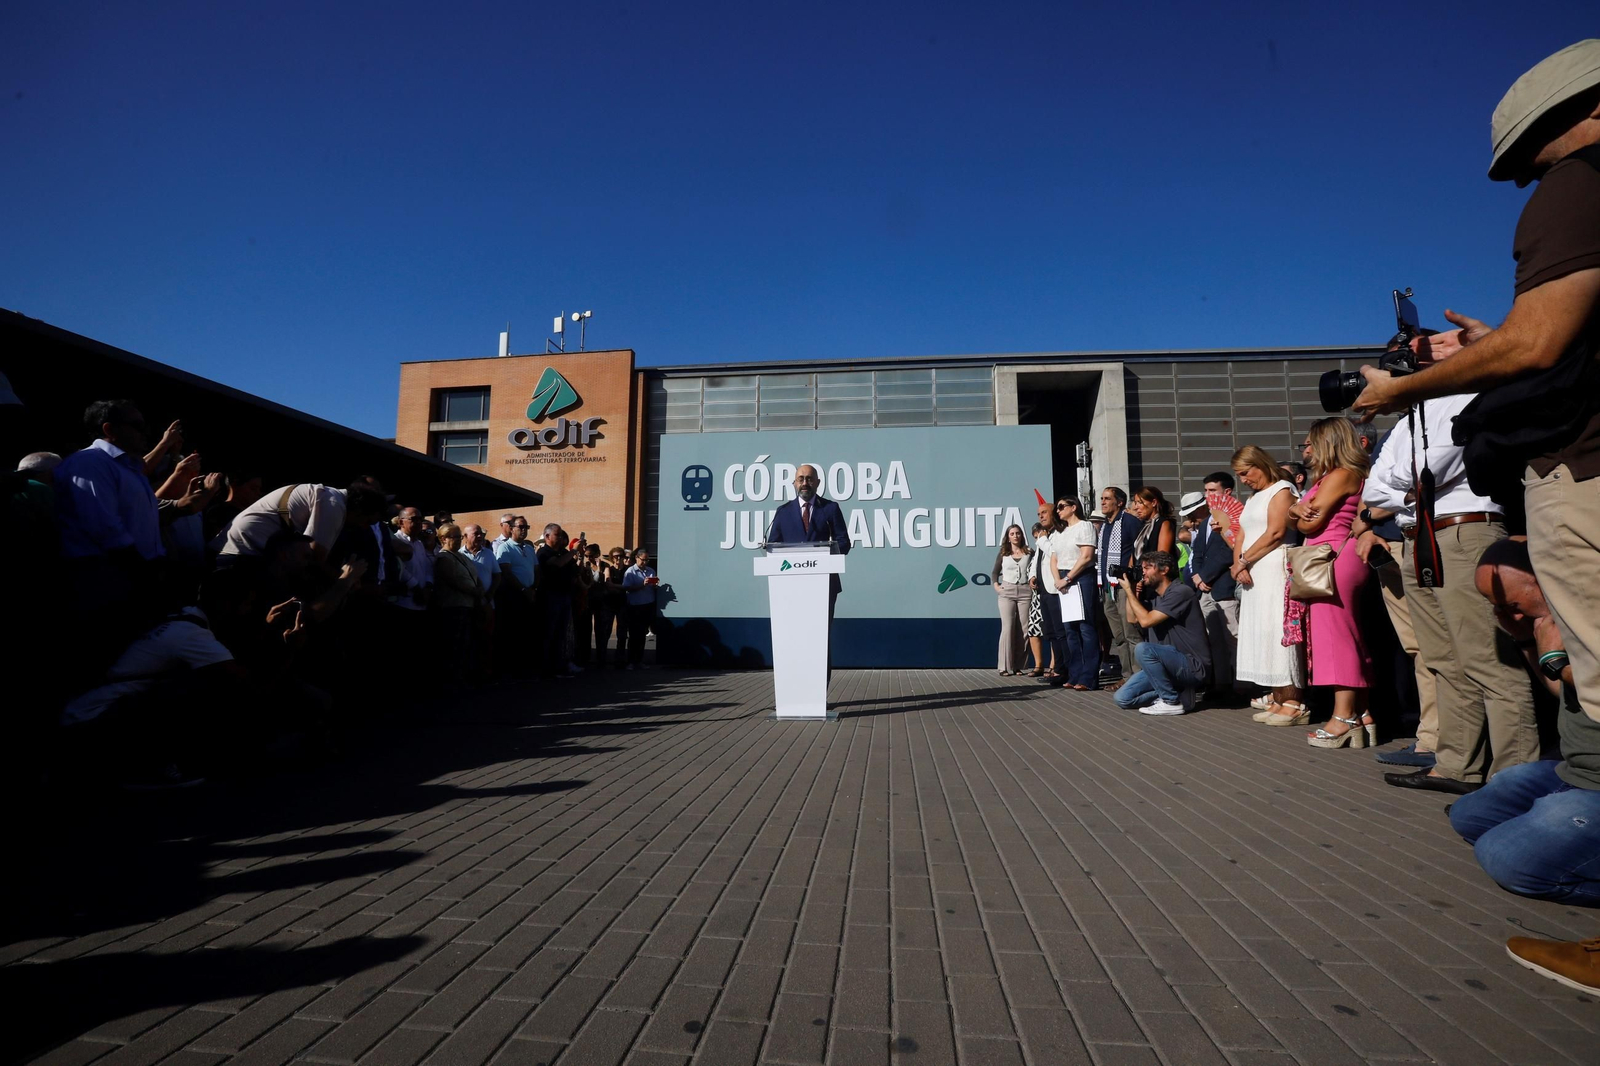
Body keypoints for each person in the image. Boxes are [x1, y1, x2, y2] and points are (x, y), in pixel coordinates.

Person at [1352, 39, 1600, 749]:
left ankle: (1546, 789)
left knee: (1565, 669)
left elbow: (1538, 343)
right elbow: (1556, 339)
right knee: (1456, 658)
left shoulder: (1580, 181)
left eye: (1533, 150)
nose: (1528, 179)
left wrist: (1406, 389)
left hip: (1575, 473)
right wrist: (1497, 339)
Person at [1362, 339, 1538, 793]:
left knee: (1488, 660)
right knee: (1443, 659)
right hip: (1417, 536)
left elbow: (1431, 471)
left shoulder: (1464, 396)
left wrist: (1398, 487)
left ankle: (1513, 780)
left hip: (1464, 531)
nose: (1400, 368)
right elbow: (1372, 493)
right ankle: (1457, 765)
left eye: (1418, 356)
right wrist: (1402, 488)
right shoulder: (1406, 422)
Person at [1448, 540, 1599, 908]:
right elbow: (1560, 691)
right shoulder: (1553, 624)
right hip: (1572, 771)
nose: (1504, 616)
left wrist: (1553, 659)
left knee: (1506, 858)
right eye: (1495, 608)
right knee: (1469, 815)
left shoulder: (1589, 614)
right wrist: (1528, 642)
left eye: (1511, 606)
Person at [1351, 425, 1441, 769]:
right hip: (1390, 545)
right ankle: (1431, 736)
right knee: (1417, 647)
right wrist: (1368, 523)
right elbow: (1374, 488)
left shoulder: (1432, 418)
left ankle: (1438, 739)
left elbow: (1410, 489)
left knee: (1433, 647)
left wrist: (1368, 516)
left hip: (1416, 540)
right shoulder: (1397, 429)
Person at [1291, 418, 1377, 750]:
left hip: (1333, 559)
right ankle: (1362, 713)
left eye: (1311, 443)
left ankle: (1344, 718)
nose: (1307, 450)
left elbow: (1311, 525)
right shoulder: (1340, 475)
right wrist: (1297, 512)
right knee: (1349, 636)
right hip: (1334, 558)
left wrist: (1297, 512)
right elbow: (1304, 516)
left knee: (1335, 638)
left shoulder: (1341, 474)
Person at [1230, 445, 1307, 723]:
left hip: (1275, 568)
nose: (1243, 479)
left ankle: (1295, 701)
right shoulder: (1253, 498)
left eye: (1245, 472)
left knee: (1278, 631)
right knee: (1261, 633)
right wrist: (1238, 563)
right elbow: (1241, 534)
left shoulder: (1283, 489)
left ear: (1261, 464)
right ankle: (1278, 696)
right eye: (1238, 475)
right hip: (1253, 572)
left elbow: (1276, 532)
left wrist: (1243, 561)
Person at [765, 464, 852, 669]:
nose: (805, 483)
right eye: (801, 479)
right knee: (793, 637)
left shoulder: (830, 508)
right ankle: (795, 690)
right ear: (795, 483)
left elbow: (844, 543)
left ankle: (820, 694)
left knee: (820, 639)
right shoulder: (783, 512)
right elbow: (773, 545)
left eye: (810, 479)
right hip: (790, 587)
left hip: (823, 585)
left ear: (818, 483)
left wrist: (822, 553)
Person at [1112, 551, 1210, 715]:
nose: (1143, 572)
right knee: (1122, 698)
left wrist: (1128, 591)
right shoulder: (1155, 597)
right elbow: (1132, 618)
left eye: (1148, 568)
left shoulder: (1181, 592)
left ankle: (1171, 701)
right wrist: (1133, 590)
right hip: (1166, 666)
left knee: (1143, 649)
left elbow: (1146, 621)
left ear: (1164, 570)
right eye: (1141, 568)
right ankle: (1179, 694)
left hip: (1191, 666)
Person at [1184, 490, 1237, 695]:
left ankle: (1240, 683)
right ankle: (1221, 683)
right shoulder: (1204, 524)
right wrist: (1197, 576)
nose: (1189, 518)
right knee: (1213, 637)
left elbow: (1228, 552)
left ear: (1201, 507)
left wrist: (1204, 576)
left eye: (1192, 512)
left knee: (1232, 636)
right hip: (1204, 590)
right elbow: (1197, 552)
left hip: (1223, 586)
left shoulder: (1226, 520)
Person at [1051, 496, 1099, 690]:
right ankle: (1075, 674)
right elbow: (1053, 559)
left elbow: (1086, 556)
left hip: (1080, 577)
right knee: (1070, 630)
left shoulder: (1084, 526)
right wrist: (1057, 580)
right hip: (1063, 579)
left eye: (1062, 507)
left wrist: (1068, 578)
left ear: (1073, 507)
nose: (1058, 510)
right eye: (1057, 508)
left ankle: (1089, 678)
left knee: (1086, 627)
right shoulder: (1059, 532)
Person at [1096, 487, 1144, 679]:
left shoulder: (1130, 522)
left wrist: (1138, 580)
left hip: (1125, 585)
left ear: (1120, 502)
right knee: (1119, 636)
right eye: (1102, 499)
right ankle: (1126, 676)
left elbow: (1141, 552)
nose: (1103, 502)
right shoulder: (1106, 525)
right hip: (1108, 587)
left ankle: (1140, 676)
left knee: (1131, 633)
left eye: (1107, 499)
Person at [432, 524, 485, 687]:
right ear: (443, 539)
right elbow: (453, 581)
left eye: (459, 537)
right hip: (453, 606)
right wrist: (474, 592)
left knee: (466, 644)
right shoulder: (443, 558)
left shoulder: (462, 557)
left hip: (468, 605)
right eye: (454, 537)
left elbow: (475, 577)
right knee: (453, 645)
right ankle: (451, 679)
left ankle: (463, 676)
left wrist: (480, 590)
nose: (458, 540)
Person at [535, 523, 582, 678]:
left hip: (565, 595)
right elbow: (557, 564)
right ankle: (545, 668)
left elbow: (575, 570)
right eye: (558, 535)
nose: (561, 538)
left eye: (562, 535)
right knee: (549, 632)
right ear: (547, 536)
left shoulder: (563, 552)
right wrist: (573, 551)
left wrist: (578, 556)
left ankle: (559, 666)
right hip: (550, 596)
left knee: (561, 633)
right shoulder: (544, 552)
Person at [992, 524, 1031, 675]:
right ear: (1008, 537)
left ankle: (1018, 665)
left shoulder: (1029, 552)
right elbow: (995, 572)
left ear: (1021, 535)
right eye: (1012, 533)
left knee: (1024, 629)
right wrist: (996, 586)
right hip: (1007, 591)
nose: (1015, 536)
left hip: (1025, 591)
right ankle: (1004, 666)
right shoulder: (1003, 553)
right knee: (1007, 628)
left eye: (1018, 533)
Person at [621, 548, 659, 670]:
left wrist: (654, 585)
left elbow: (653, 588)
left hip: (648, 605)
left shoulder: (650, 570)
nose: (645, 562)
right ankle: (631, 661)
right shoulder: (630, 572)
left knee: (642, 634)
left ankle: (639, 660)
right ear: (637, 558)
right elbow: (626, 588)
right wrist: (642, 585)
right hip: (635, 606)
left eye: (647, 560)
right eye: (643, 560)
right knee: (633, 635)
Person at [1023, 522, 1051, 677]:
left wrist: (1043, 540)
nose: (1037, 540)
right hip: (1036, 597)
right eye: (1035, 537)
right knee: (1034, 630)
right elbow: (1033, 567)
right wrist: (1032, 577)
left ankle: (1053, 666)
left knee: (1052, 631)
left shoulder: (1049, 543)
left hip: (1050, 592)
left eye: (1038, 536)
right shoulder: (1037, 550)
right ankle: (1038, 665)